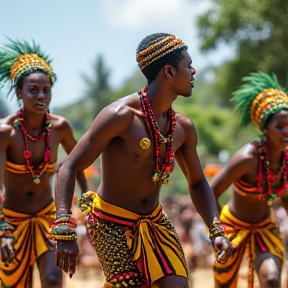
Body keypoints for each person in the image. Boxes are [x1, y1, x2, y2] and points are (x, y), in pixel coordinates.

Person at [52, 32, 233, 288]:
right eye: (188, 66)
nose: (193, 71)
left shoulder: (182, 128)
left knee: (178, 285)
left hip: (155, 221)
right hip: (110, 225)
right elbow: (68, 167)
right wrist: (64, 227)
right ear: (169, 72)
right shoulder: (119, 116)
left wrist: (215, 229)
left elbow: (197, 182)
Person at [0, 39, 88, 288]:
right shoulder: (5, 133)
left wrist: (88, 201)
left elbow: (78, 162)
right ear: (19, 92)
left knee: (52, 279)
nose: (41, 96)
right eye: (33, 90)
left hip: (48, 219)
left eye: (46, 90)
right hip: (11, 223)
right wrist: (2, 229)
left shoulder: (60, 128)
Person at [210, 71, 288, 288]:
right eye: (280, 126)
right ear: (265, 128)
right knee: (225, 285)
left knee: (272, 279)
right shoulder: (247, 157)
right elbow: (211, 191)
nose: (286, 132)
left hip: (265, 226)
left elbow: (285, 198)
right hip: (231, 226)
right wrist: (218, 231)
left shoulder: (286, 161)